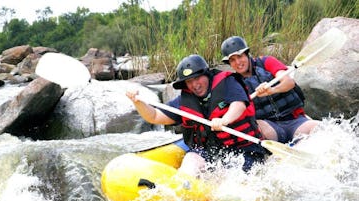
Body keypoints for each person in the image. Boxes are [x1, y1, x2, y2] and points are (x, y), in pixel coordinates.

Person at [126, 54, 268, 175]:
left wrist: (224, 120)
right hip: (212, 152)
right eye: (189, 81)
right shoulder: (185, 100)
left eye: (197, 78)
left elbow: (239, 104)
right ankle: (184, 188)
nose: (195, 85)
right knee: (191, 159)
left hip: (244, 149)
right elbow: (155, 116)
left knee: (228, 176)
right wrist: (138, 103)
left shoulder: (228, 83)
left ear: (206, 74)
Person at [221, 36, 320, 144]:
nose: (238, 62)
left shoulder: (267, 62)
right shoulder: (234, 82)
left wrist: (272, 90)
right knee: (256, 125)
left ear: (246, 54)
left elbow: (289, 82)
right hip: (269, 126)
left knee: (318, 128)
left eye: (240, 56)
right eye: (232, 60)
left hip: (294, 120)